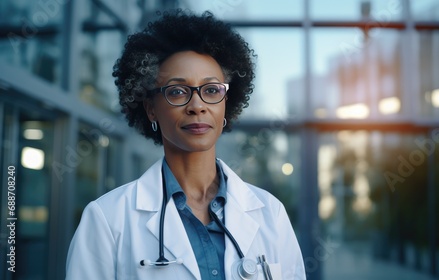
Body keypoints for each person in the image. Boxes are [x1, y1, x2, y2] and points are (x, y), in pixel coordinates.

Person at [65, 9, 305, 280]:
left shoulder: (271, 213)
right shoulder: (107, 219)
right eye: (177, 91)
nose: (197, 106)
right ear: (151, 109)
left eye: (211, 90)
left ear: (227, 103)